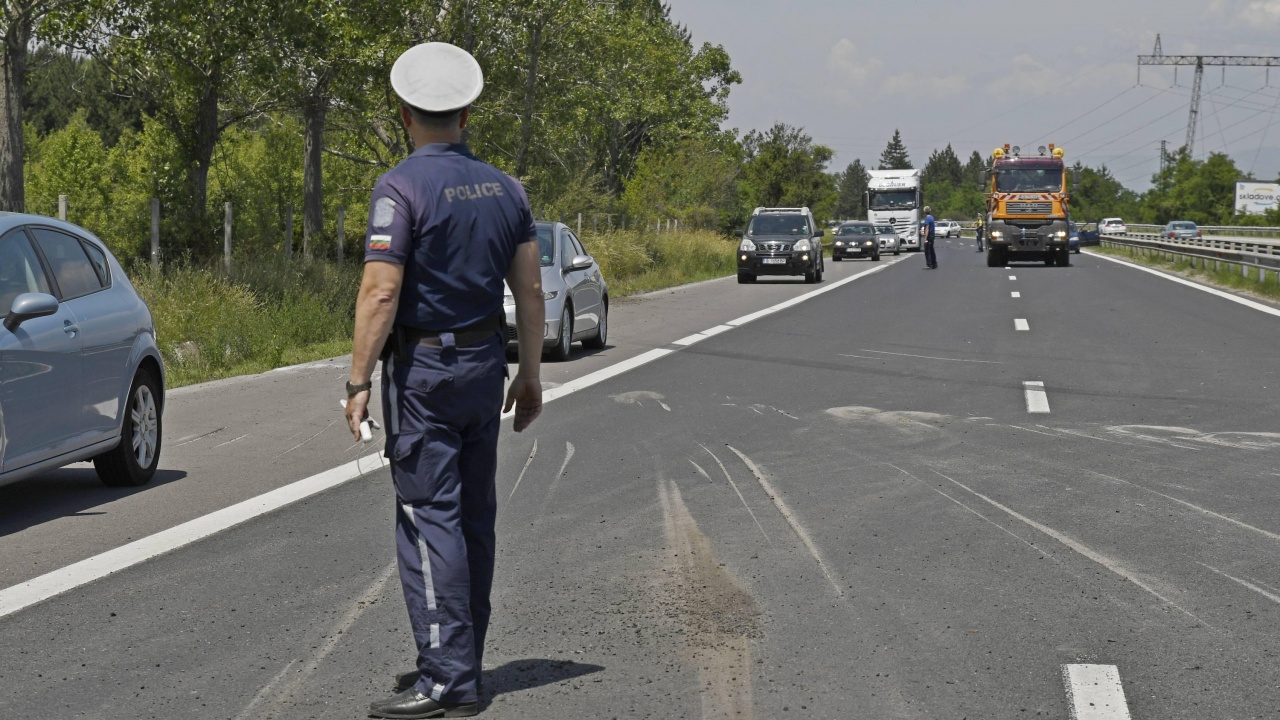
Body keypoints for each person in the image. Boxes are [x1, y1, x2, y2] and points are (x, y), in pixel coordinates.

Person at [343, 41, 546, 719]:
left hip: (426, 370)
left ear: (405, 114)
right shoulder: (508, 189)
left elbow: (379, 292)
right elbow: (532, 290)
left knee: (430, 517)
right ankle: (457, 660)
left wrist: (357, 381)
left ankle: (448, 681)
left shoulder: (400, 188)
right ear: (466, 115)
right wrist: (532, 375)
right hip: (488, 365)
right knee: (473, 516)